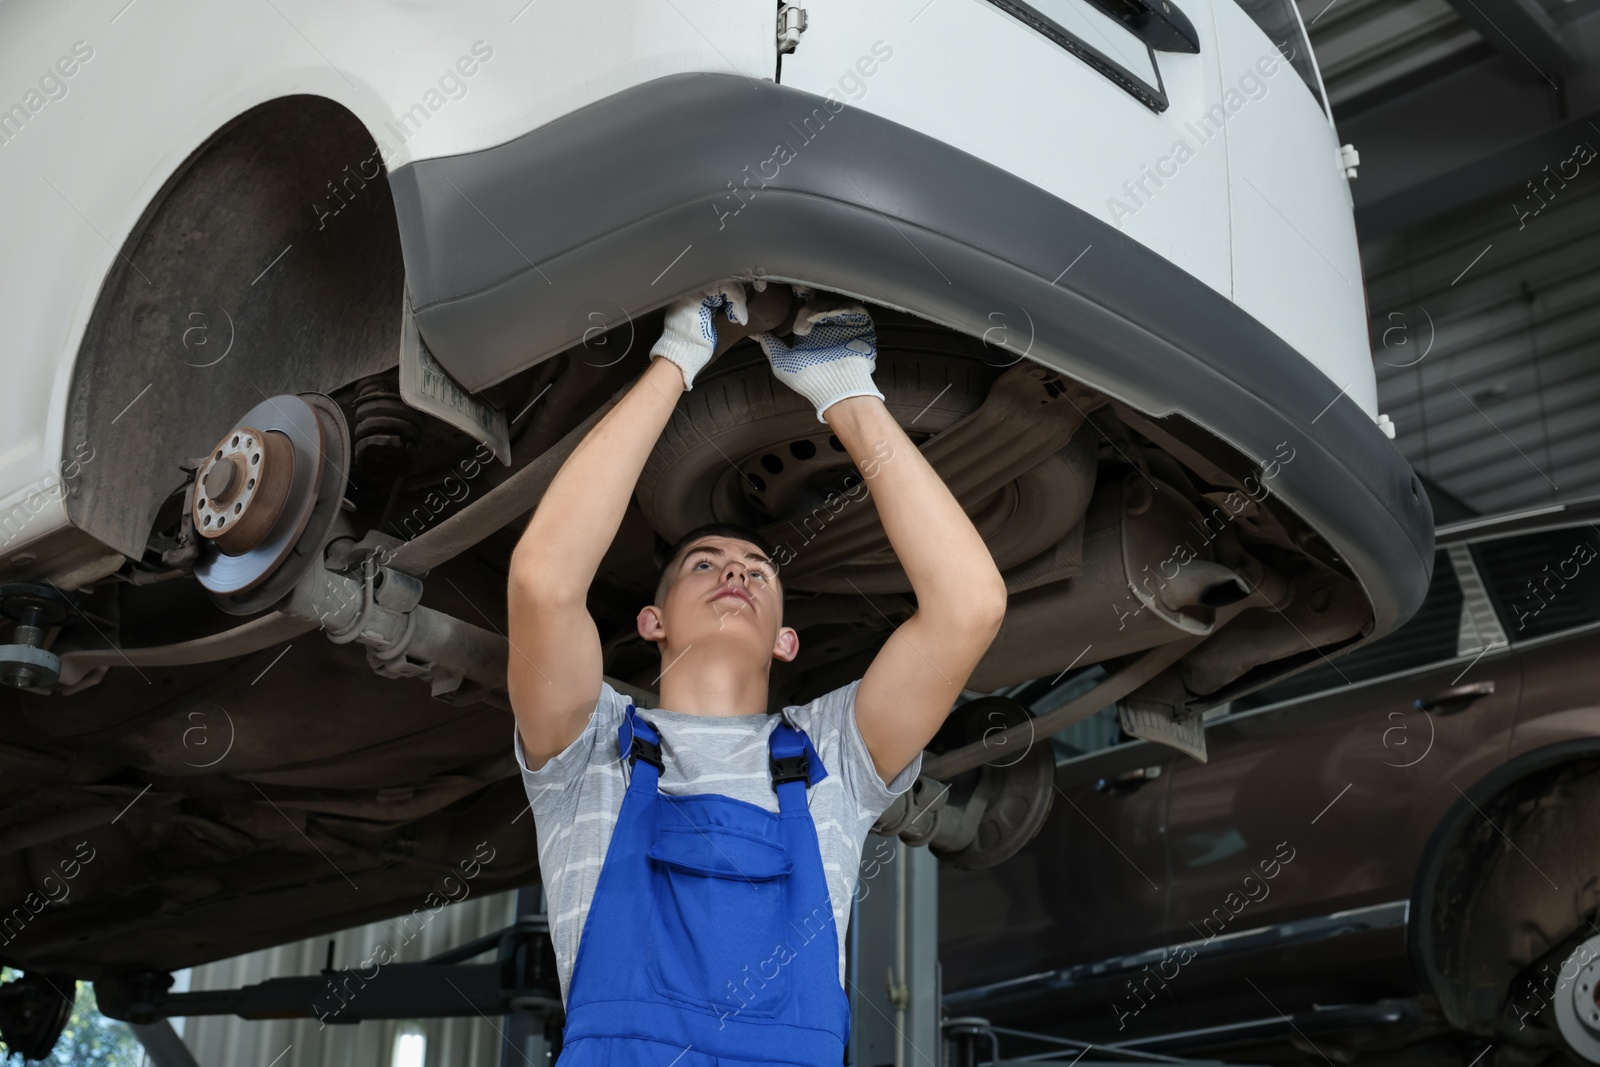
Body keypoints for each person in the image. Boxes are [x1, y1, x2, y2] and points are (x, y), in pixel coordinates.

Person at [506, 281, 1009, 1067]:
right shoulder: (586, 750)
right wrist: (676, 359)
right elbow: (543, 579)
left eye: (758, 570)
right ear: (652, 621)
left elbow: (970, 605)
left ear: (786, 639)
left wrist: (847, 390)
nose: (734, 572)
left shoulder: (833, 753)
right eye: (703, 563)